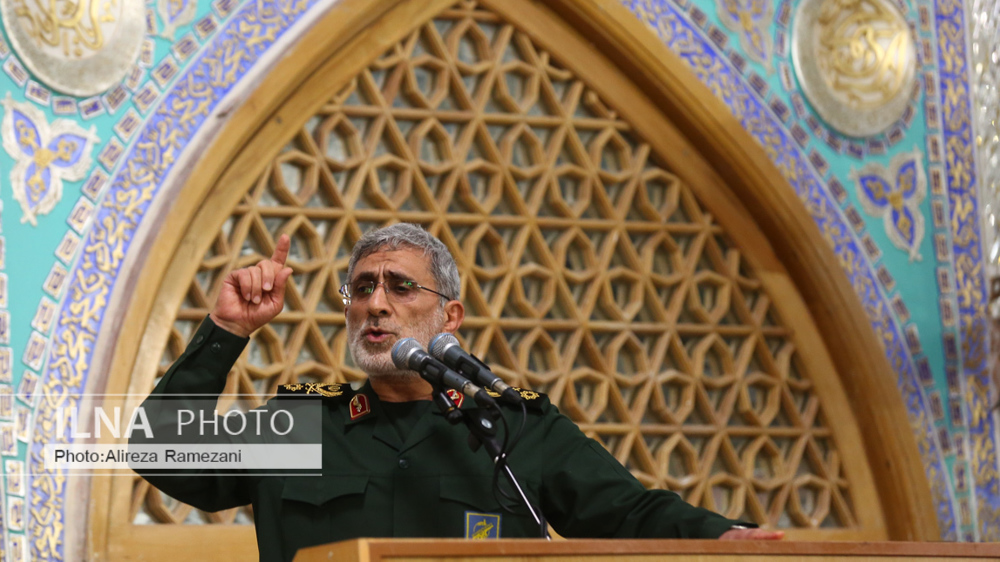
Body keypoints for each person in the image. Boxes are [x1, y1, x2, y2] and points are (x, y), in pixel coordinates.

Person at [133, 223, 783, 561]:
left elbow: (629, 514)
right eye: (362, 288)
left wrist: (719, 537)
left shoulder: (514, 427)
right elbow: (158, 451)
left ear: (450, 318)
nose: (375, 304)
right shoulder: (303, 425)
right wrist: (227, 330)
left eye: (400, 287)